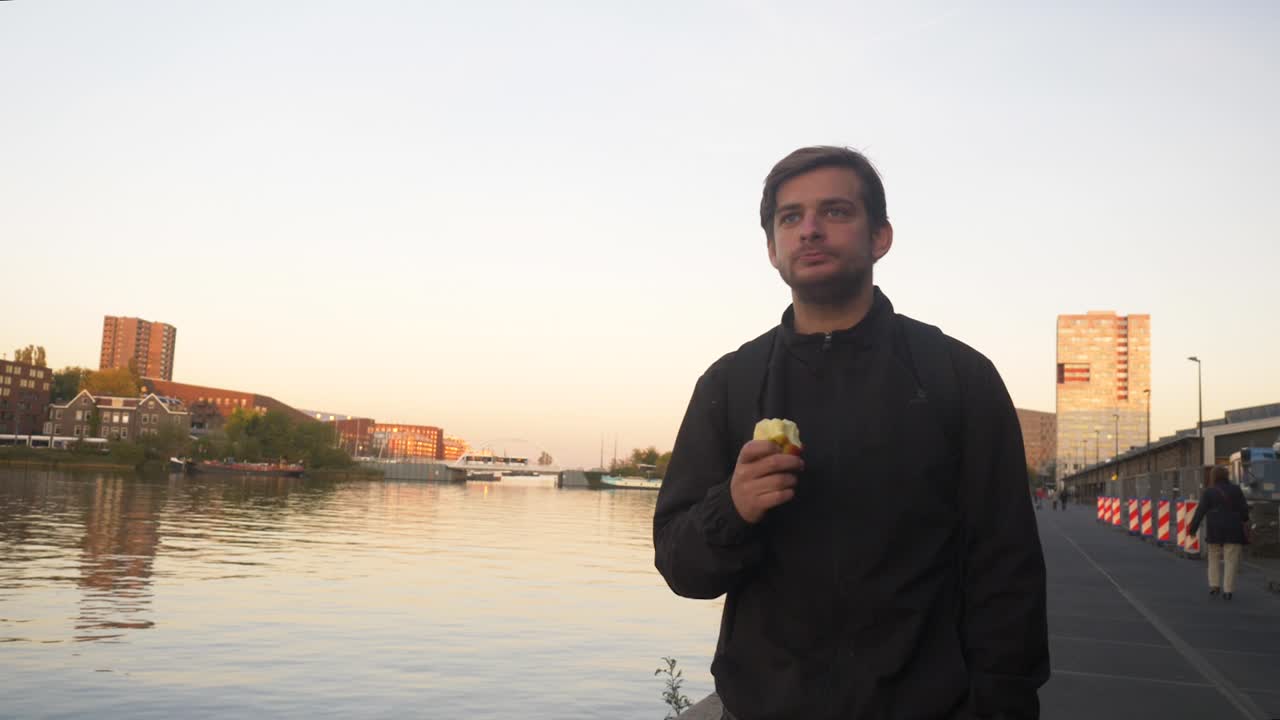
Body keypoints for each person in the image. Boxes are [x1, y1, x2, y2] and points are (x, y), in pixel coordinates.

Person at [653, 146, 1049, 720]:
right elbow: (681, 568)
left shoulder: (957, 377)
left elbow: (1007, 570)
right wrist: (732, 508)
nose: (809, 230)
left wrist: (1001, 704)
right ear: (771, 249)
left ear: (880, 237)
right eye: (790, 218)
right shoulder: (730, 383)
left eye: (835, 212)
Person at [1188, 466, 1250, 600]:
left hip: (1215, 528)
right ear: (1227, 476)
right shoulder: (1236, 490)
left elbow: (1200, 511)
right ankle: (1228, 590)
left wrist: (1193, 529)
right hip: (1233, 528)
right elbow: (1244, 510)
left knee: (1213, 557)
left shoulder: (1209, 492)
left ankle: (1214, 585)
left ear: (1213, 477)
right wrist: (1244, 520)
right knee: (1231, 559)